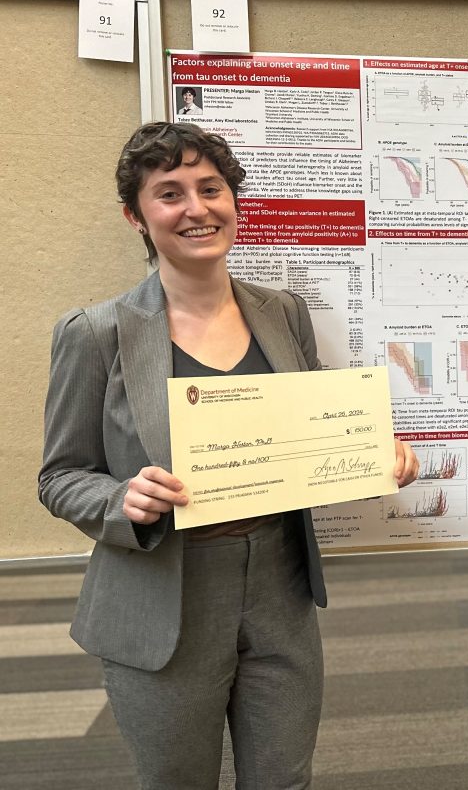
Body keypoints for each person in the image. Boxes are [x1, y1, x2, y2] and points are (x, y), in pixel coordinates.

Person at [39, 121, 420, 789]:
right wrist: (121, 499)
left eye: (211, 188)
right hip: (164, 592)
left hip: (280, 587)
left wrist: (370, 452)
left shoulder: (284, 313)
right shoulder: (96, 333)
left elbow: (311, 428)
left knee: (284, 779)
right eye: (170, 193)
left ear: (233, 201)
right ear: (136, 216)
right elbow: (61, 476)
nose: (197, 208)